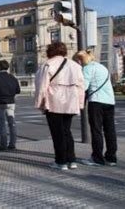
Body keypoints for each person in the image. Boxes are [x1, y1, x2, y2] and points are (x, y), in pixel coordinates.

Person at [35, 42, 85, 170]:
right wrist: (80, 103)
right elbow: (81, 86)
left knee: (57, 133)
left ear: (50, 51)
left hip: (54, 100)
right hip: (71, 100)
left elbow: (42, 86)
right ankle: (71, 160)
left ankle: (61, 161)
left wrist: (39, 103)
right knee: (67, 131)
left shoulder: (48, 64)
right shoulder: (75, 65)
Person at [73, 50, 117, 166]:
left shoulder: (87, 69)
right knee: (110, 130)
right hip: (110, 101)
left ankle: (97, 157)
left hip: (97, 101)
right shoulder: (102, 67)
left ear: (80, 60)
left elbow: (84, 87)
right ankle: (111, 157)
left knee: (96, 130)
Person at [0, 60, 21, 151]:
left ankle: (3, 145)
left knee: (2, 124)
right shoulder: (13, 77)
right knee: (12, 123)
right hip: (11, 102)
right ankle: (12, 144)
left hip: (0, 103)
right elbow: (18, 90)